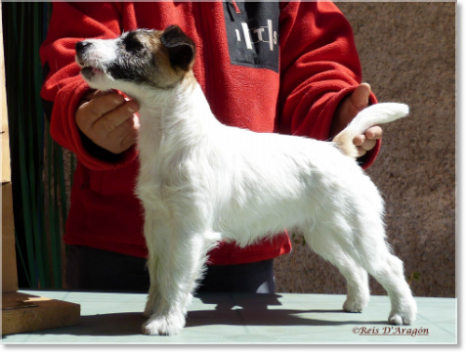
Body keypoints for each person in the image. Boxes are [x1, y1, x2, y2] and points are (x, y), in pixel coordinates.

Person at [40, 1, 382, 294]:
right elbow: (71, 54)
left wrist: (332, 111)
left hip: (246, 246)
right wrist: (85, 108)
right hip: (117, 246)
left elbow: (317, 58)